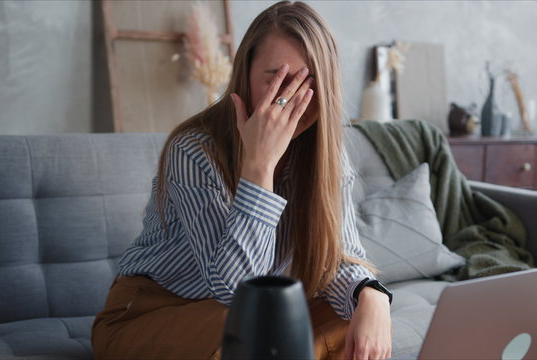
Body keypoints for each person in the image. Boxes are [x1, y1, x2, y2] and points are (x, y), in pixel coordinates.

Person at [91, 1, 392, 359]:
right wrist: (259, 166)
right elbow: (234, 290)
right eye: (275, 78)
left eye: (307, 81)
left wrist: (370, 295)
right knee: (258, 332)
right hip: (152, 313)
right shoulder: (193, 150)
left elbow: (337, 257)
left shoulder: (324, 153)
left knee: (357, 324)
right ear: (244, 75)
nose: (290, 98)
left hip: (258, 316)